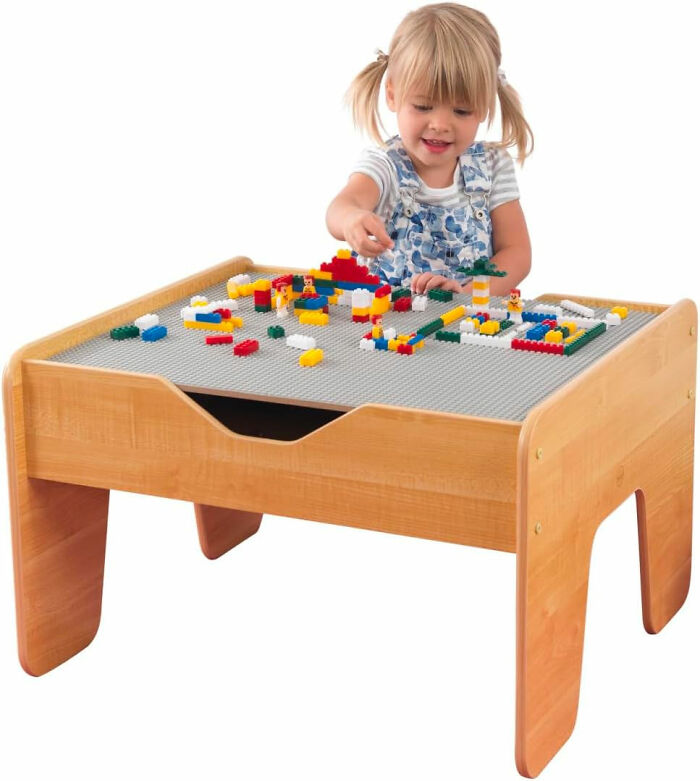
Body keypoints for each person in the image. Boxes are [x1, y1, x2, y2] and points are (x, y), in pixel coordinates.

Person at [326, 3, 533, 298]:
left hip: (469, 325)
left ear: (485, 107)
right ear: (393, 95)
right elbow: (342, 206)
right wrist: (350, 220)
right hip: (390, 331)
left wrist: (468, 293)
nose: (439, 124)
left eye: (461, 111)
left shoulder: (493, 167)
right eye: (423, 106)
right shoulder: (386, 166)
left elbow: (517, 252)